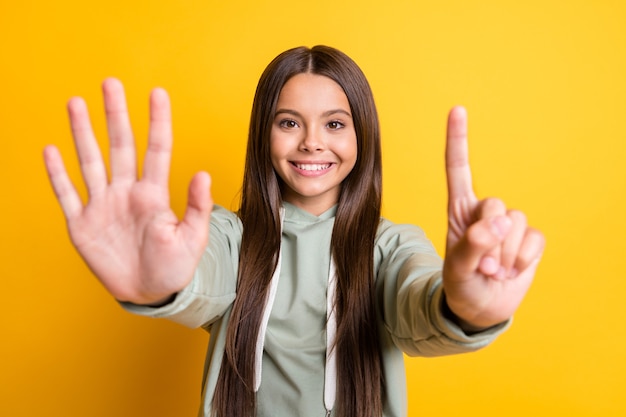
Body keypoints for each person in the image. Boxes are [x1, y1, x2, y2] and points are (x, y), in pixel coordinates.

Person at [43, 45, 545, 417]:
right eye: (288, 123)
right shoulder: (227, 236)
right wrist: (164, 286)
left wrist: (465, 310)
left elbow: (418, 298)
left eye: (333, 124)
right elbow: (202, 274)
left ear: (360, 135)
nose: (310, 143)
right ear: (264, 132)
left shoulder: (390, 247)